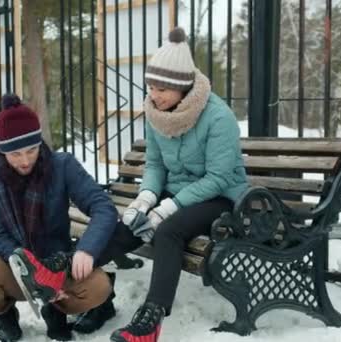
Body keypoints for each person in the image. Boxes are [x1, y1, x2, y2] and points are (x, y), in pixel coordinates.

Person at [109, 27, 249, 342]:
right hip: (182, 192)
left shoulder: (218, 117)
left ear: (182, 87)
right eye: (150, 86)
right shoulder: (157, 113)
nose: (153, 95)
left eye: (160, 89)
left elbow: (219, 178)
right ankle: (66, 274)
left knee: (168, 229)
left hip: (222, 197)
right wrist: (145, 198)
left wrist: (168, 206)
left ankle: (151, 320)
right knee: (132, 223)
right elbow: (156, 164)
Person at [0, 94, 120, 342]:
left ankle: (55, 309)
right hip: (13, 263)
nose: (25, 161)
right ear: (2, 151)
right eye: (15, 154)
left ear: (39, 143)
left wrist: (86, 250)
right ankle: (5, 315)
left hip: (58, 263)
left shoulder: (63, 165)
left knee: (98, 287)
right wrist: (31, 272)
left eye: (31, 150)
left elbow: (103, 207)